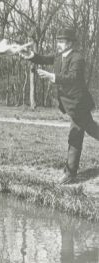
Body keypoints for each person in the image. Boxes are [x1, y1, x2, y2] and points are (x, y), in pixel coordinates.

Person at [20, 28, 99, 184]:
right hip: (71, 105)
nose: (59, 44)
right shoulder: (59, 56)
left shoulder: (78, 58)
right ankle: (70, 173)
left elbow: (73, 77)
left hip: (79, 104)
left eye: (62, 42)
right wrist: (32, 56)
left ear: (70, 43)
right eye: (59, 41)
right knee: (91, 130)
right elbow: (45, 59)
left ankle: (70, 174)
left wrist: (51, 76)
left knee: (75, 136)